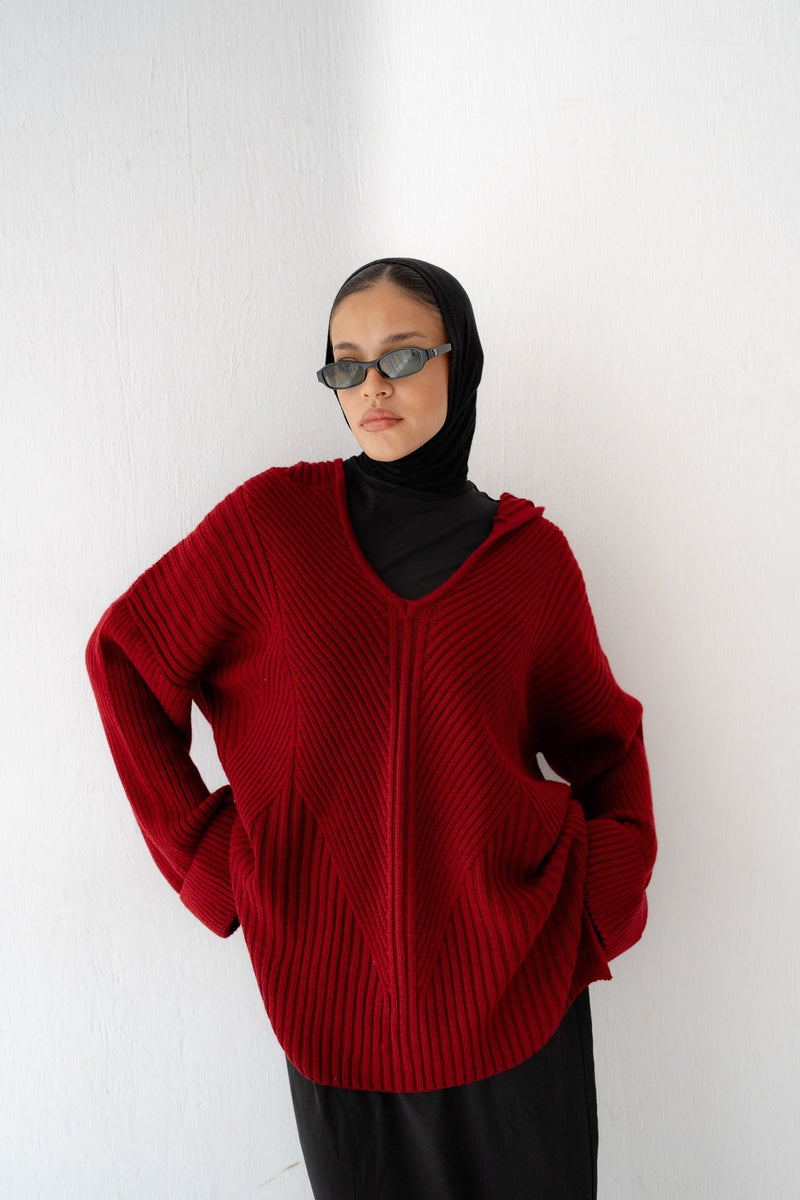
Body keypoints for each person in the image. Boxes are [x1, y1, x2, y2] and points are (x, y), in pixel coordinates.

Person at [86, 257, 656, 1199]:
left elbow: (606, 742)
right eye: (346, 364)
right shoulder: (270, 527)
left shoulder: (531, 560)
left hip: (521, 984)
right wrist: (206, 855)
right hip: (331, 1004)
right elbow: (125, 660)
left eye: (402, 355)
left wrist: (606, 885)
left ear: (462, 361)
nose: (372, 387)